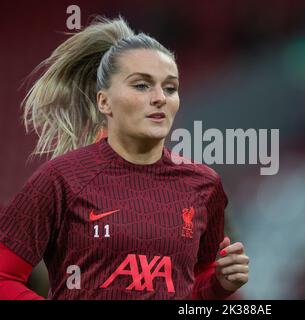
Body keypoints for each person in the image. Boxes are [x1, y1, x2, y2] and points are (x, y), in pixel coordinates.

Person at [0, 16, 249, 300]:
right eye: (142, 85)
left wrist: (220, 284)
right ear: (103, 101)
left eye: (170, 88)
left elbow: (195, 288)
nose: (159, 98)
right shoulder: (61, 179)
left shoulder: (204, 185)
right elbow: (3, 276)